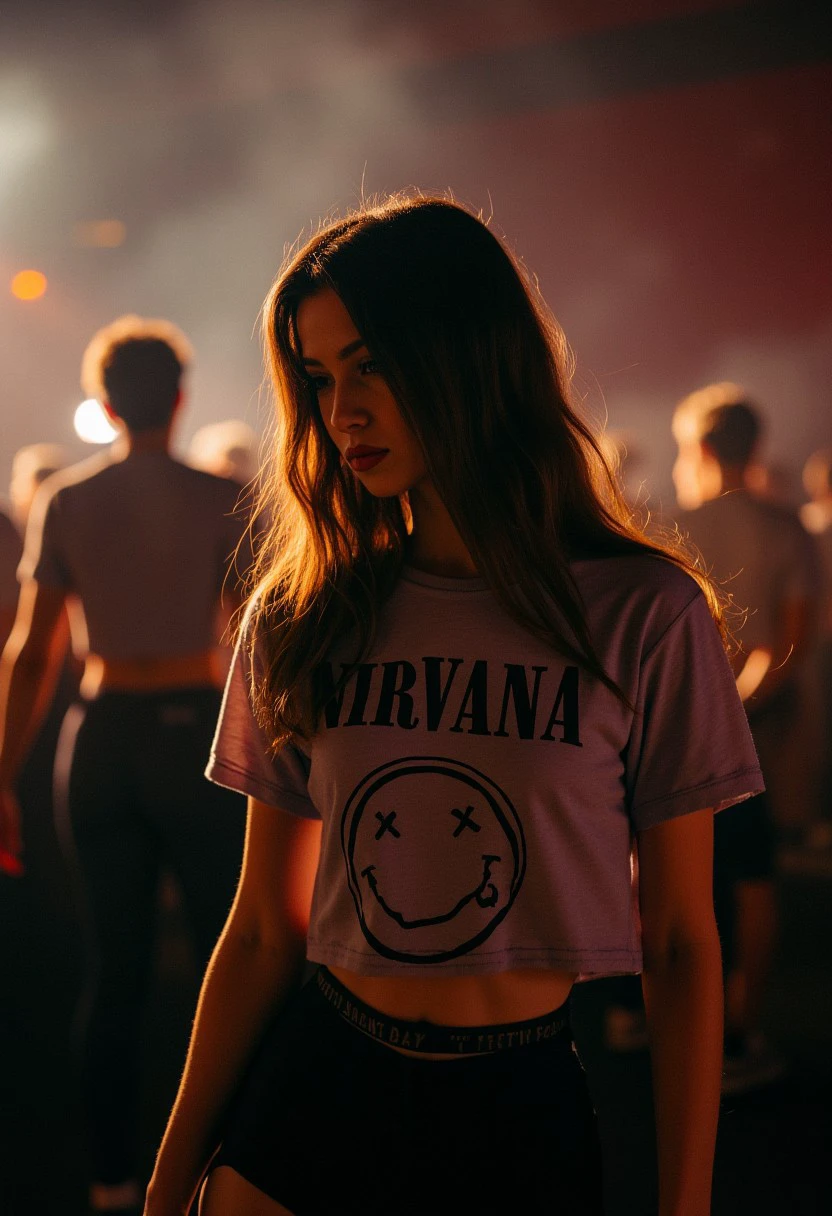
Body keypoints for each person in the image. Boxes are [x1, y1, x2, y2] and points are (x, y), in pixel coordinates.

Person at [145, 196, 762, 1216]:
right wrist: (166, 1193)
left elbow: (682, 942)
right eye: (318, 375)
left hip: (513, 1102)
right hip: (315, 1086)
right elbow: (260, 929)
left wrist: (686, 1201)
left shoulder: (643, 615)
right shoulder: (307, 612)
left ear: (471, 354)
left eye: (373, 364)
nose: (340, 411)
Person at [0, 316, 250, 1216]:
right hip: (196, 738)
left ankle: (110, 1181)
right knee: (234, 958)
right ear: (179, 399)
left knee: (116, 966)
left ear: (104, 405)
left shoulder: (65, 500)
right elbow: (256, 638)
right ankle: (222, 1171)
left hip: (99, 739)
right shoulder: (222, 497)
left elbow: (33, 652)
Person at [672, 384, 819, 1092]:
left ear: (698, 448)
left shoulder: (669, 525)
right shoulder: (785, 528)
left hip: (673, 730)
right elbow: (795, 641)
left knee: (673, 872)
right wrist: (745, 705)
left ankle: (657, 1022)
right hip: (756, 730)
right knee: (753, 875)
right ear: (755, 446)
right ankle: (736, 1033)